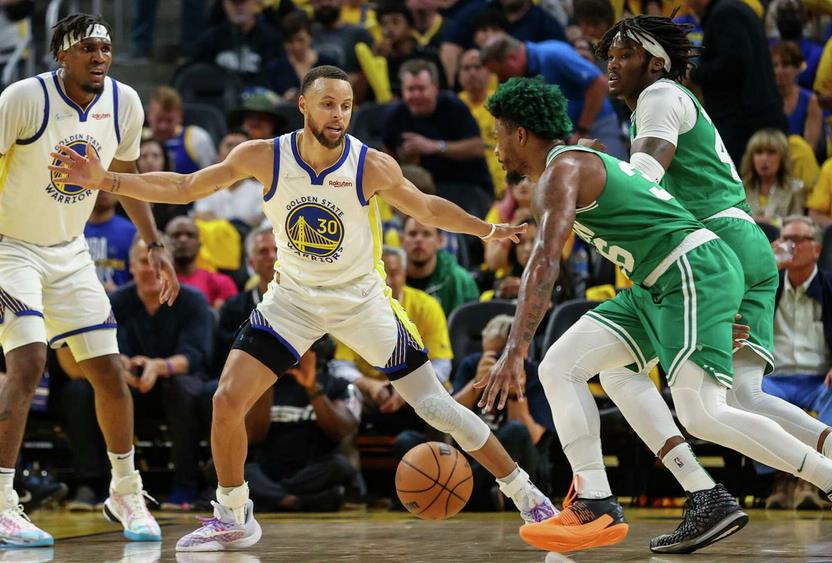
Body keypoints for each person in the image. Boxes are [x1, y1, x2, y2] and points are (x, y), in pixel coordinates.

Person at [51, 65, 558, 553]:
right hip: (292, 301)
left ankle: (527, 495)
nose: (339, 115)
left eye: (347, 106)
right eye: (328, 104)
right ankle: (233, 516)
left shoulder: (370, 164)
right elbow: (185, 187)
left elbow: (426, 207)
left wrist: (487, 229)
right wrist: (106, 180)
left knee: (436, 407)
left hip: (362, 303)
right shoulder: (265, 157)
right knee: (226, 400)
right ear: (302, 106)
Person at [474, 76, 832, 554]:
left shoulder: (562, 171)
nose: (494, 147)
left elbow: (544, 262)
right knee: (563, 365)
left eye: (497, 134)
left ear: (520, 133)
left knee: (702, 412)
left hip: (691, 270)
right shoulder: (574, 162)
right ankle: (602, 500)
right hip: (654, 283)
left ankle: (826, 477)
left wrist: (515, 349)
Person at [582, 14, 832, 552]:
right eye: (610, 56)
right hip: (738, 245)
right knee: (742, 396)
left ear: (656, 63)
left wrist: (593, 171)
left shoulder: (659, 96)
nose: (613, 64)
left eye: (625, 55)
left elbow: (644, 180)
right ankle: (823, 451)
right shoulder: (667, 100)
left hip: (713, 250)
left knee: (688, 401)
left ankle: (713, 495)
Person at [0, 13, 179, 546]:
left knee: (107, 371)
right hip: (11, 247)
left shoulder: (124, 103)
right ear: (62, 55)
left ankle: (125, 491)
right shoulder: (22, 99)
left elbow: (128, 179)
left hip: (70, 251)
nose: (100, 57)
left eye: (105, 48)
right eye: (88, 49)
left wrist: (154, 243)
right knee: (28, 362)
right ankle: (3, 501)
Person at [686, 0, 787, 166]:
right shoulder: (734, 9)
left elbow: (731, 63)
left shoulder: (725, 14)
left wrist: (694, 73)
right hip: (751, 118)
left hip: (744, 123)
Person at [165, 216, 238, 310]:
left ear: (199, 244)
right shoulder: (156, 283)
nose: (183, 240)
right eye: (176, 235)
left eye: (190, 235)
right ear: (164, 243)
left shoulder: (222, 283)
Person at [740, 129, 806, 225]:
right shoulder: (739, 189)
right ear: (751, 158)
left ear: (783, 157)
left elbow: (797, 225)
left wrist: (770, 222)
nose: (764, 158)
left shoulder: (796, 189)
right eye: (759, 152)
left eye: (771, 152)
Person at [85, 190, 137, 292]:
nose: (103, 190)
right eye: (98, 184)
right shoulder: (72, 230)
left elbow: (140, 278)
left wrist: (118, 293)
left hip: (119, 300)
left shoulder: (131, 232)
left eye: (110, 185)